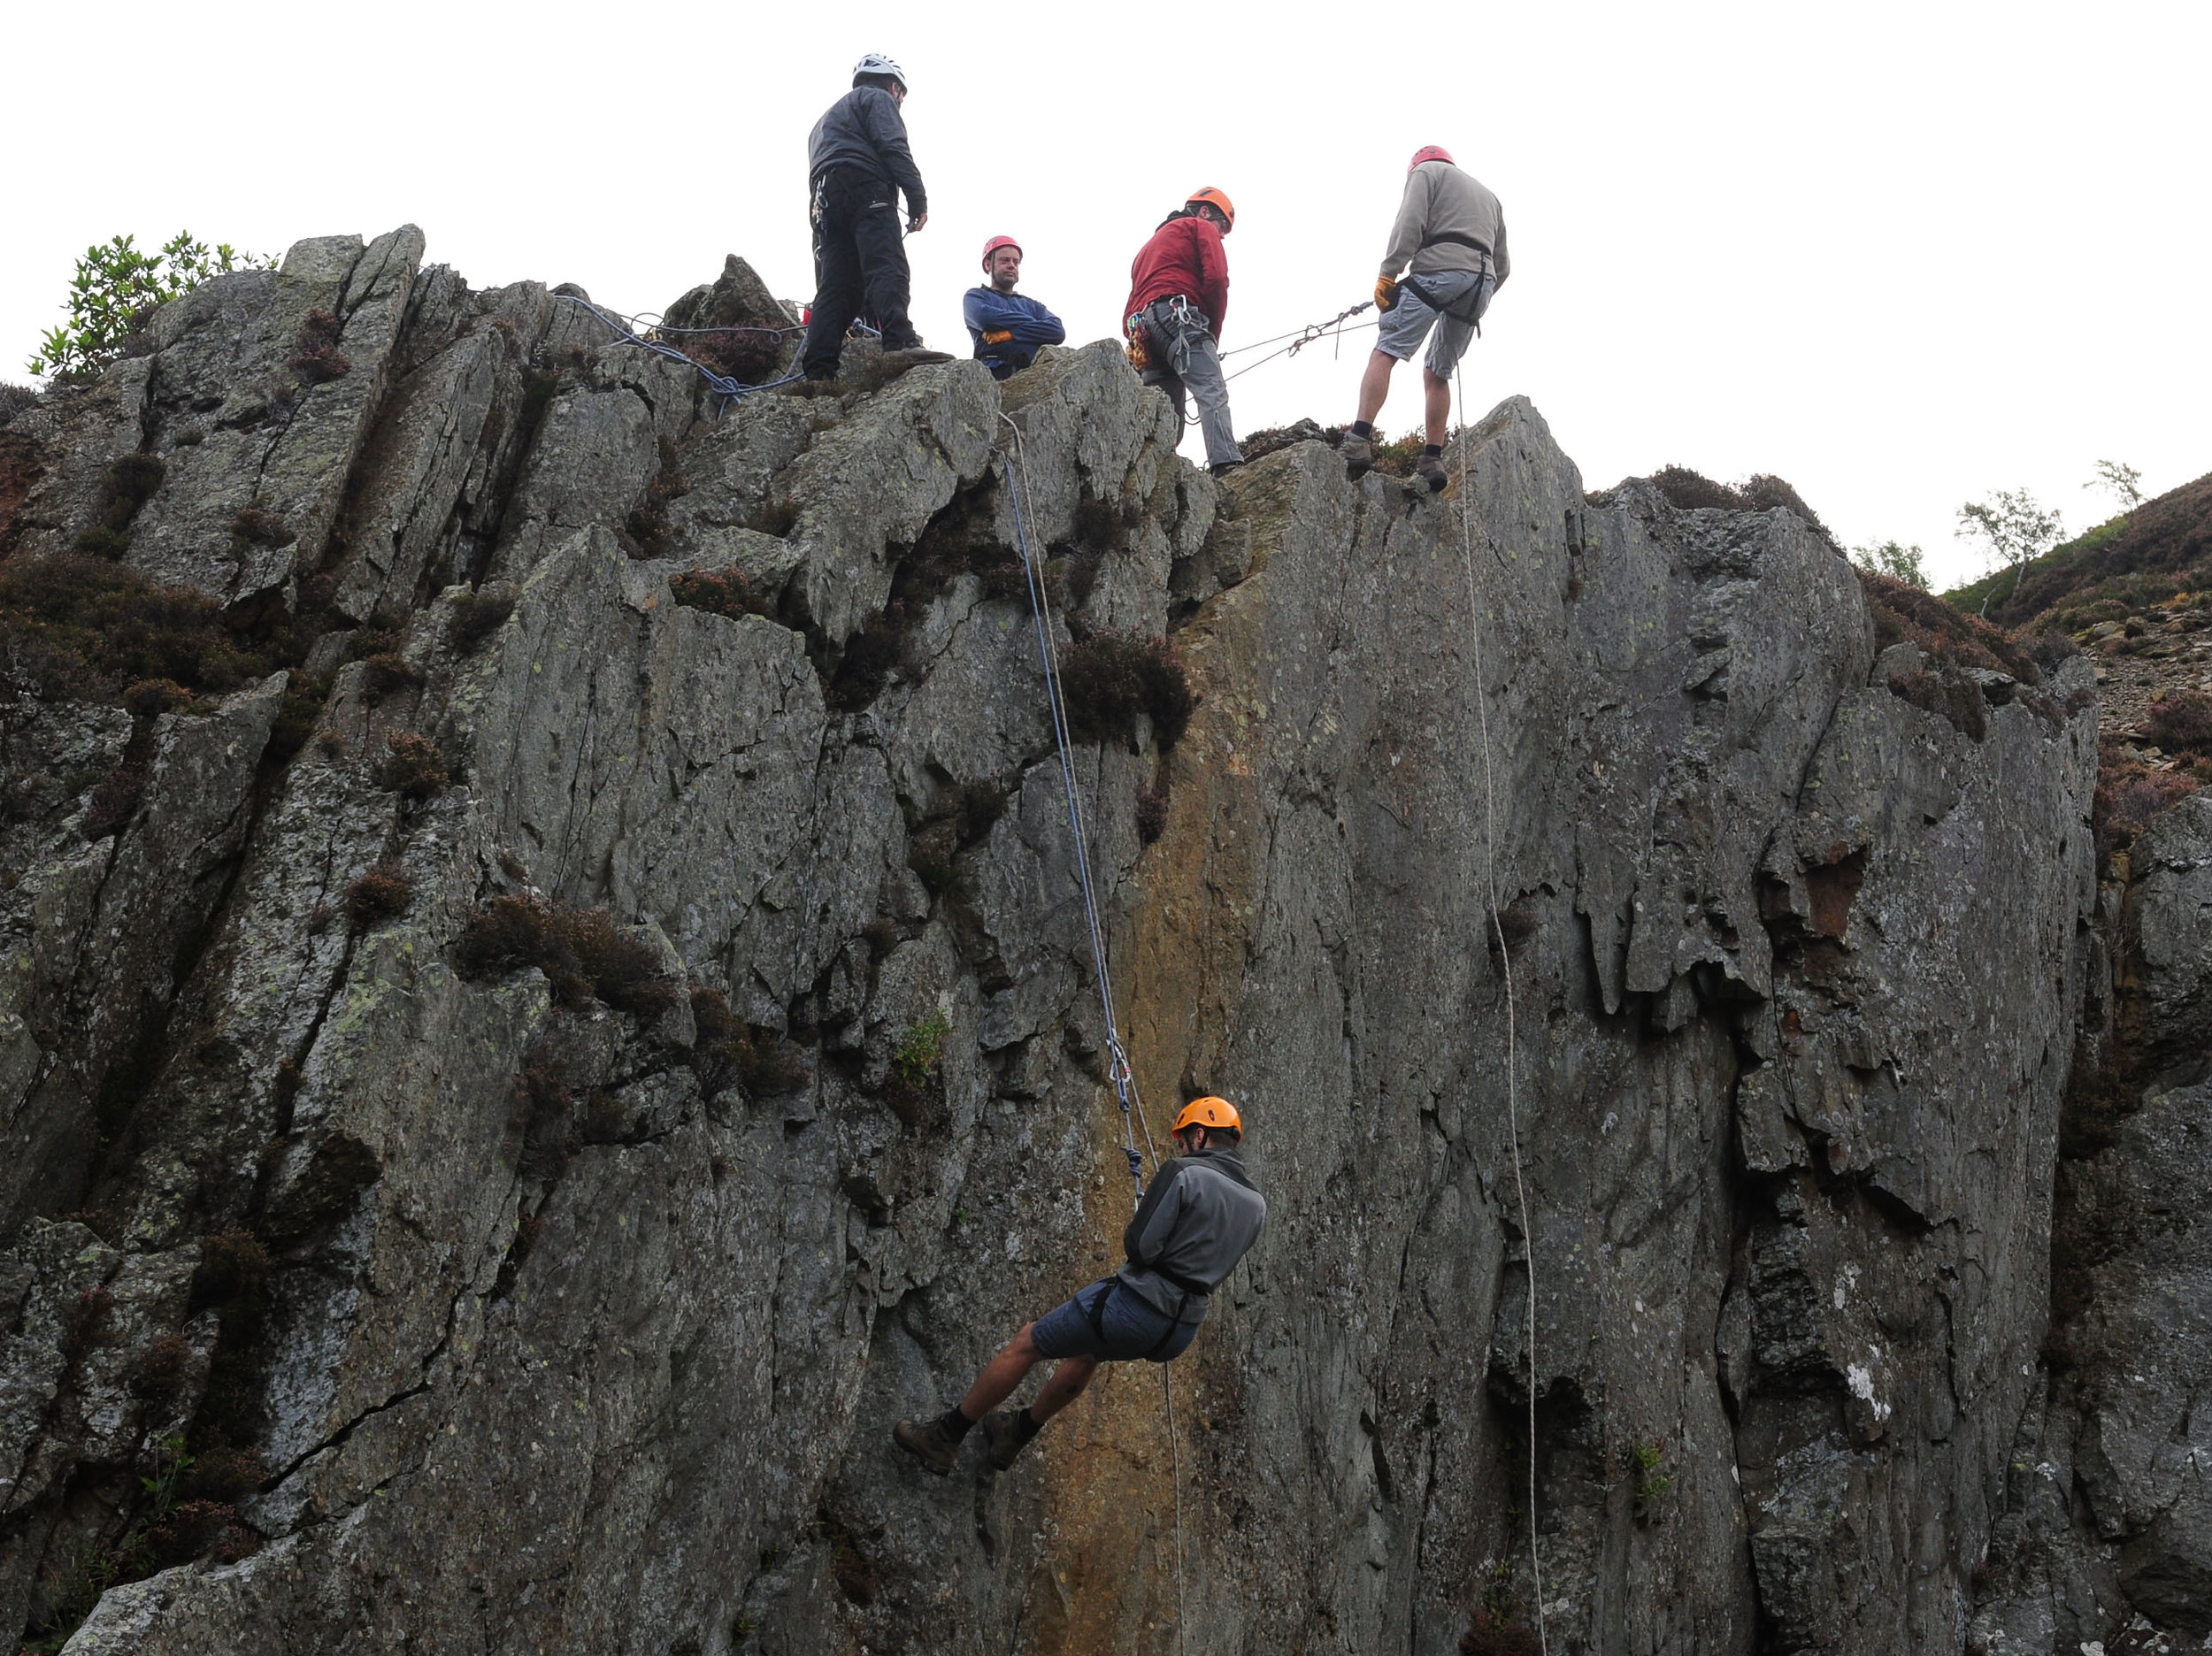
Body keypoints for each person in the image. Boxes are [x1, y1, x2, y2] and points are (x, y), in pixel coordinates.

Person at [893, 1096, 1265, 1476]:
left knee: (1028, 1342)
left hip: (1134, 1309)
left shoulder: (1184, 1173)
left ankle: (945, 1436)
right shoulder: (1256, 1204)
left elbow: (1140, 1246)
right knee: (1088, 1353)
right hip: (1177, 1332)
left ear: (1199, 1134)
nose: (1182, 1148)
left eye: (1184, 1141)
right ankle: (1015, 1433)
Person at [1339, 146, 1510, 493]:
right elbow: (1504, 265)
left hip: (1440, 271)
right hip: (1482, 284)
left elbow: (1410, 223)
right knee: (1437, 372)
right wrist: (1479, 291)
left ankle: (1359, 439)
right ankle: (1433, 458)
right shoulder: (1489, 197)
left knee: (1385, 352)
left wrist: (1389, 274)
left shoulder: (1426, 173)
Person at [800, 54, 951, 382]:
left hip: (825, 200)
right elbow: (893, 145)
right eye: (902, 95)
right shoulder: (877, 98)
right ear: (894, 86)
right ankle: (900, 341)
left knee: (839, 286)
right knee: (886, 263)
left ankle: (818, 370)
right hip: (866, 187)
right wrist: (917, 199)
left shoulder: (823, 123)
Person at [1123, 189, 1244, 476]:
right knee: (1211, 388)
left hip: (1144, 331)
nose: (1222, 235)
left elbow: (1132, 302)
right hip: (1179, 315)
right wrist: (1212, 333)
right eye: (1222, 226)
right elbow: (1216, 280)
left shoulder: (1147, 249)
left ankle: (1153, 475)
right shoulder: (1199, 227)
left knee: (1164, 413)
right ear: (1204, 212)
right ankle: (1226, 464)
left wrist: (1136, 341)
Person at [963, 235, 1066, 380]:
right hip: (993, 377)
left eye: (1015, 262)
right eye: (1004, 260)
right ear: (988, 264)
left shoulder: (1033, 305)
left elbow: (1057, 331)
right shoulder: (976, 297)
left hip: (1033, 378)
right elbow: (985, 319)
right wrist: (1034, 325)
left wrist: (1009, 334)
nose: (1012, 265)